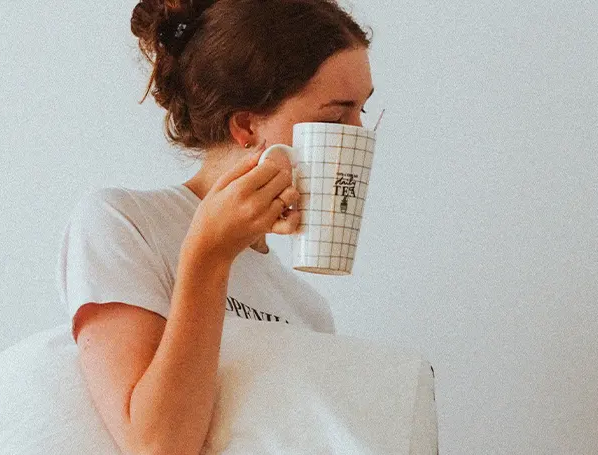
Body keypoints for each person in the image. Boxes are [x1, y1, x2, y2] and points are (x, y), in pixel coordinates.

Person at [55, 0, 374, 453]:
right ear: (246, 125)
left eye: (363, 113)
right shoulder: (123, 224)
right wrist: (209, 254)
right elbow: (157, 445)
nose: (358, 136)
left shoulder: (309, 309)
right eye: (336, 117)